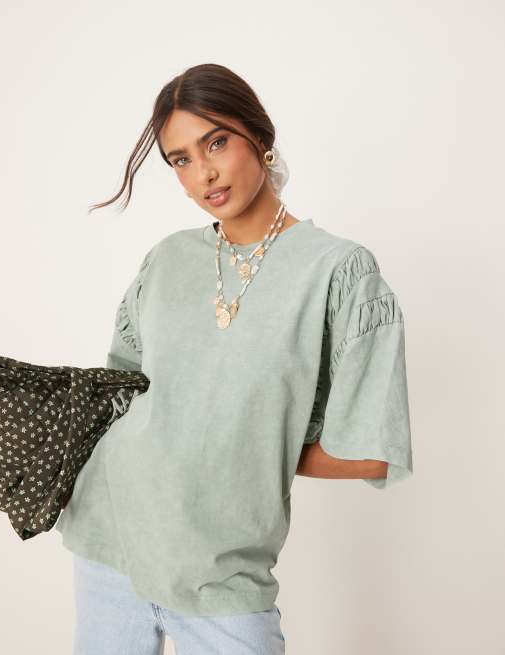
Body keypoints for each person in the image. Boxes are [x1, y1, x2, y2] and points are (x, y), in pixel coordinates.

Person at [54, 62, 413, 655]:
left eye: (216, 142)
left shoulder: (338, 271)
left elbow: (374, 449)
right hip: (108, 541)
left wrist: (246, 449)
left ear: (259, 136)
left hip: (222, 573)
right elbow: (120, 394)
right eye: (181, 159)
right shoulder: (166, 261)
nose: (204, 173)